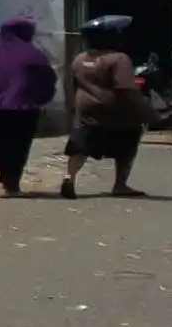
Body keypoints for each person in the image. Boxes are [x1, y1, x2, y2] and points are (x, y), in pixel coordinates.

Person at [61, 15, 150, 199]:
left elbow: (69, 84)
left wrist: (72, 106)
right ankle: (120, 185)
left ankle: (69, 177)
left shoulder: (80, 58)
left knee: (81, 146)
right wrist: (146, 111)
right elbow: (126, 87)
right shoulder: (119, 59)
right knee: (127, 144)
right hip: (117, 111)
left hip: (87, 110)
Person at [0, 17, 57, 196]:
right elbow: (47, 80)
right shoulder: (35, 54)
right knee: (19, 146)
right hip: (23, 109)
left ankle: (7, 176)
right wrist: (41, 99)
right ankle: (12, 181)